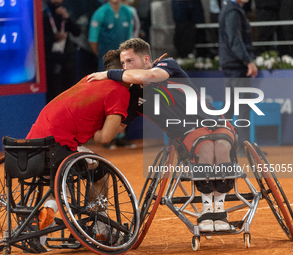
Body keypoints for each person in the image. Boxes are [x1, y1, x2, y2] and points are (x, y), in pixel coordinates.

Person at [87, 38, 237, 232]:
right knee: (208, 147)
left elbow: (150, 76)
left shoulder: (167, 65)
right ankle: (208, 209)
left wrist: (108, 74)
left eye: (129, 62)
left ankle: (220, 210)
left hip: (216, 122)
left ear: (146, 58)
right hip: (187, 133)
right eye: (123, 64)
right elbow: (118, 127)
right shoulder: (133, 96)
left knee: (221, 146)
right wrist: (92, 128)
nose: (125, 67)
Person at [26, 50, 130, 241]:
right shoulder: (120, 91)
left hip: (31, 146)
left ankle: (45, 217)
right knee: (100, 168)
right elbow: (105, 138)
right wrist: (103, 128)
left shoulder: (88, 79)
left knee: (59, 178)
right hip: (59, 146)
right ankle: (99, 226)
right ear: (124, 70)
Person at [218, 0, 258, 156]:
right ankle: (243, 146)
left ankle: (222, 145)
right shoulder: (232, 12)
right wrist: (248, 61)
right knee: (241, 107)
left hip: (233, 65)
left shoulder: (232, 9)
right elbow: (235, 40)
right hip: (236, 66)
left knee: (230, 108)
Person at [43, 0, 81, 103]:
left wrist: (67, 17)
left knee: (68, 93)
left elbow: (77, 32)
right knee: (53, 95)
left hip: (67, 60)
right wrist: (54, 38)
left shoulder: (65, 12)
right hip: (50, 61)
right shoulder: (44, 15)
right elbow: (38, 39)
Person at [88, 0, 134, 71]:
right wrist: (102, 56)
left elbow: (129, 36)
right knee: (106, 81)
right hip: (106, 60)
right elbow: (93, 39)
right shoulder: (100, 12)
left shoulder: (128, 12)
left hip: (123, 59)